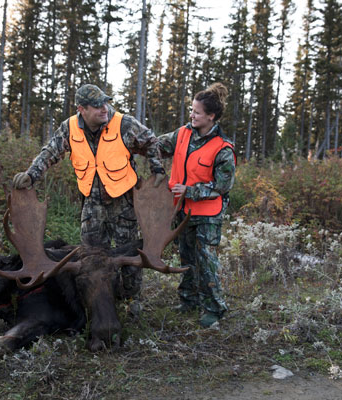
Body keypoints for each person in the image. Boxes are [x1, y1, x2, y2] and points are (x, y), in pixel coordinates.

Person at [13, 83, 165, 302]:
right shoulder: (70, 128)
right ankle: (101, 299)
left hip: (123, 201)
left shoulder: (124, 124)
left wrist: (157, 168)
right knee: (93, 255)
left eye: (105, 103)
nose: (104, 108)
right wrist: (31, 175)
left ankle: (132, 301)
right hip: (91, 203)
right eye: (96, 106)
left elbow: (151, 140)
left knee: (129, 253)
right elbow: (50, 152)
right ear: (81, 109)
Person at [158, 83, 236, 328]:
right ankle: (188, 300)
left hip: (207, 215)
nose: (191, 115)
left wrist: (190, 191)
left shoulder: (223, 148)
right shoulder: (182, 133)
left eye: (197, 112)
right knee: (186, 257)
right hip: (182, 212)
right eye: (191, 110)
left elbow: (223, 186)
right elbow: (157, 145)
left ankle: (214, 309)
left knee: (206, 262)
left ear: (211, 116)